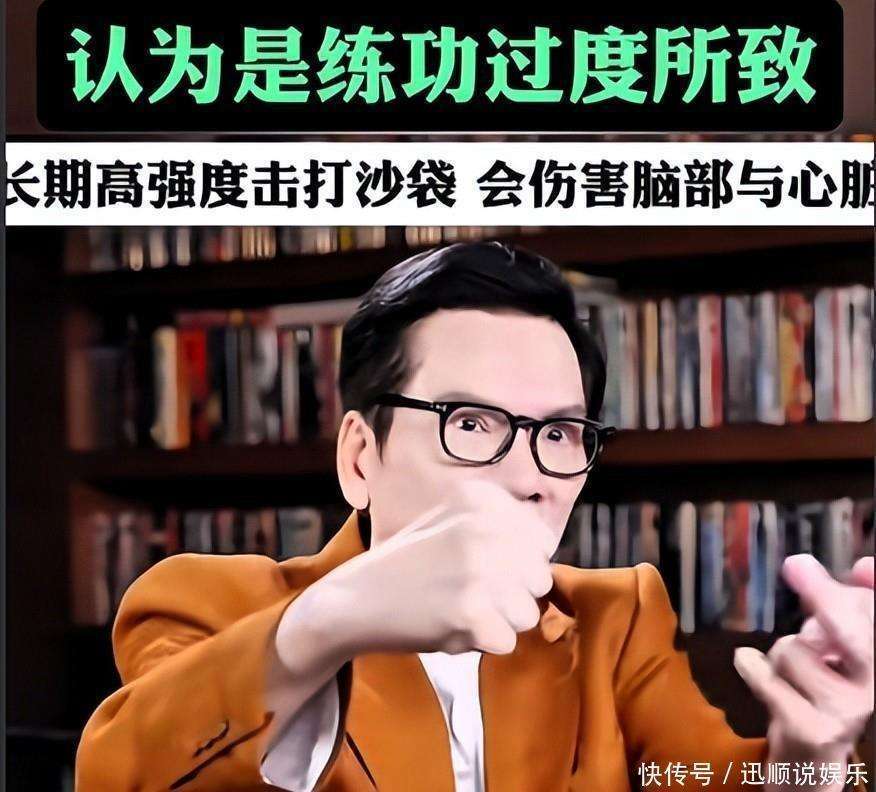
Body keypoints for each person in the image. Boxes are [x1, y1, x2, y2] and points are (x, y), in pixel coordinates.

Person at [76, 242, 873, 792]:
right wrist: (328, 623)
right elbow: (123, 775)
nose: (528, 477)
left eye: (559, 433)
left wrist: (811, 756)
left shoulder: (613, 618)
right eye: (470, 422)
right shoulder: (208, 604)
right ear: (360, 458)